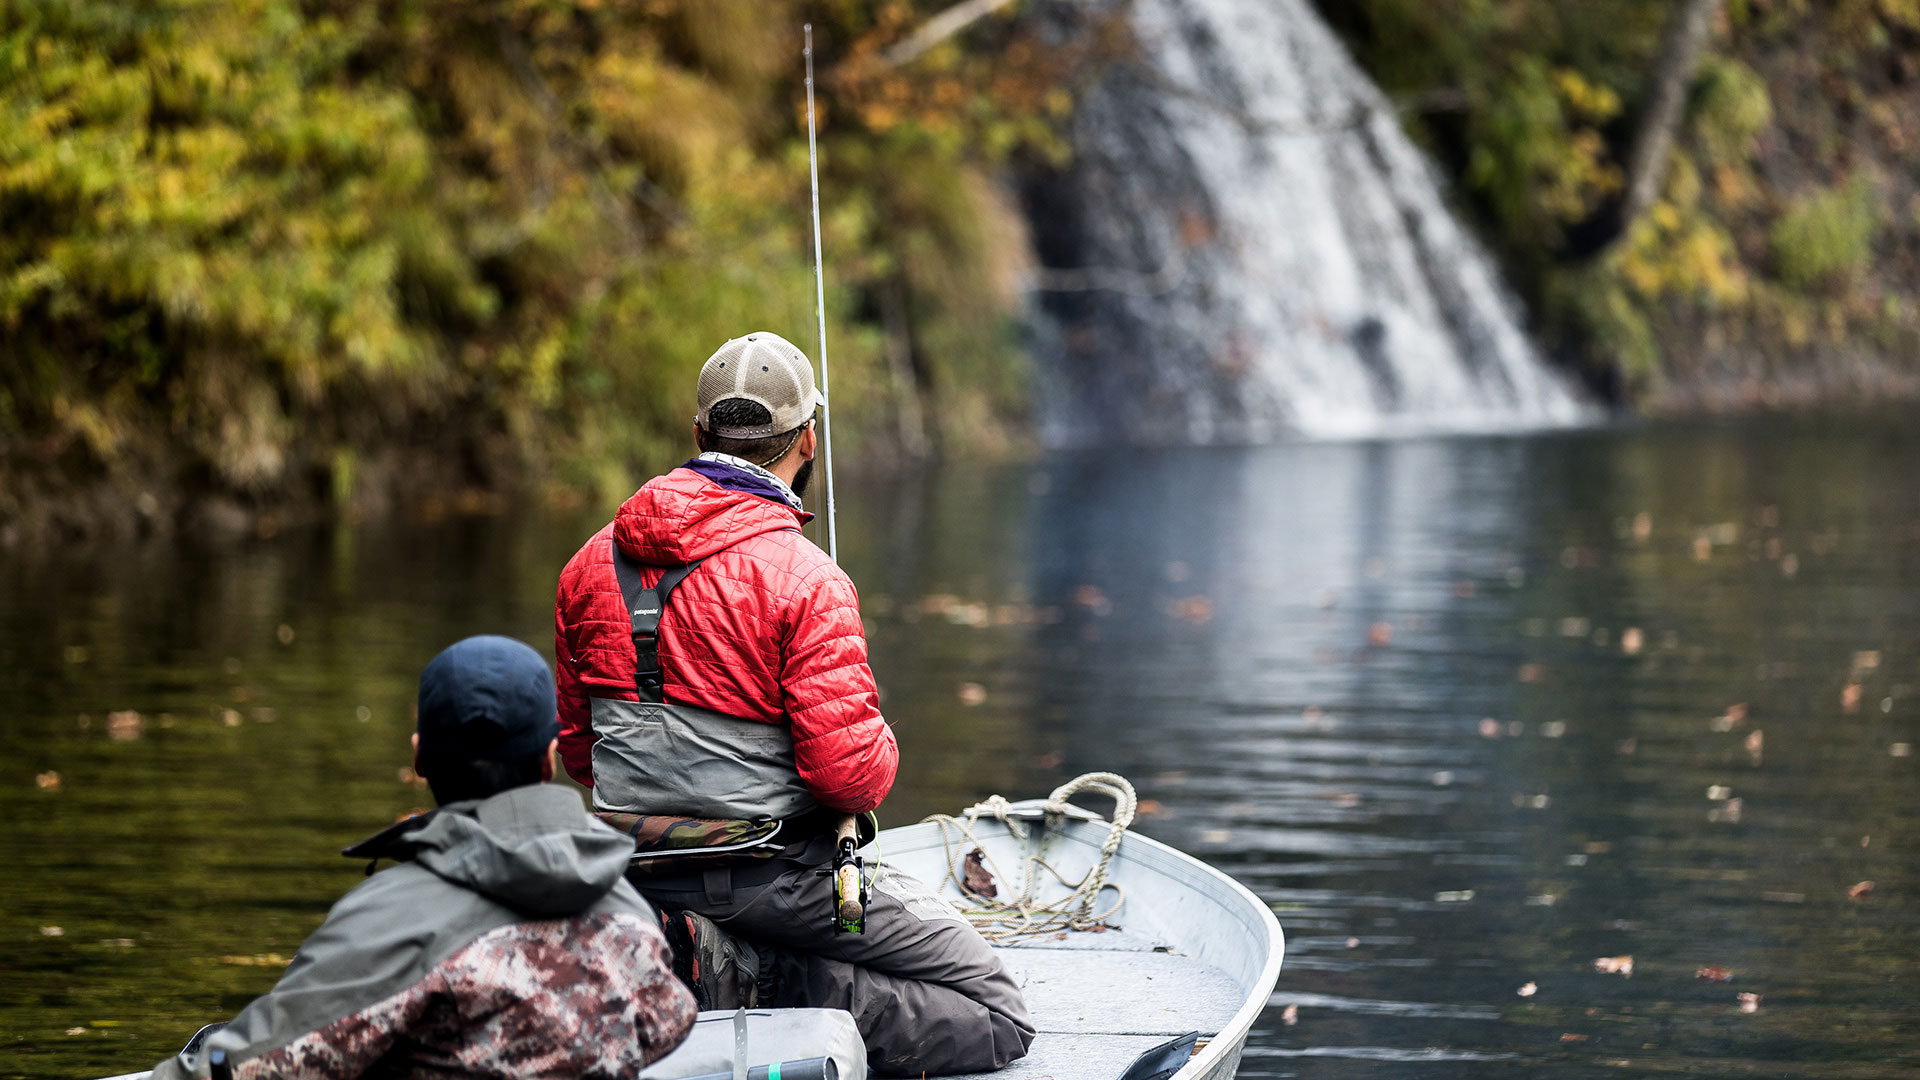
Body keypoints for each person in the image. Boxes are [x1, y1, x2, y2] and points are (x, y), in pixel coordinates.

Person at [553, 332, 1034, 1076]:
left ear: (697, 435)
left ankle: (695, 949)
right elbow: (849, 781)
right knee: (996, 1011)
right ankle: (756, 977)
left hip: (632, 873)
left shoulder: (586, 566)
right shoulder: (808, 579)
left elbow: (583, 757)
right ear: (808, 440)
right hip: (776, 882)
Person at [152, 635, 696, 1080]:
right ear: (549, 760)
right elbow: (667, 1024)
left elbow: (247, 1069)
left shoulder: (388, 923)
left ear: (419, 757)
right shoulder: (631, 913)